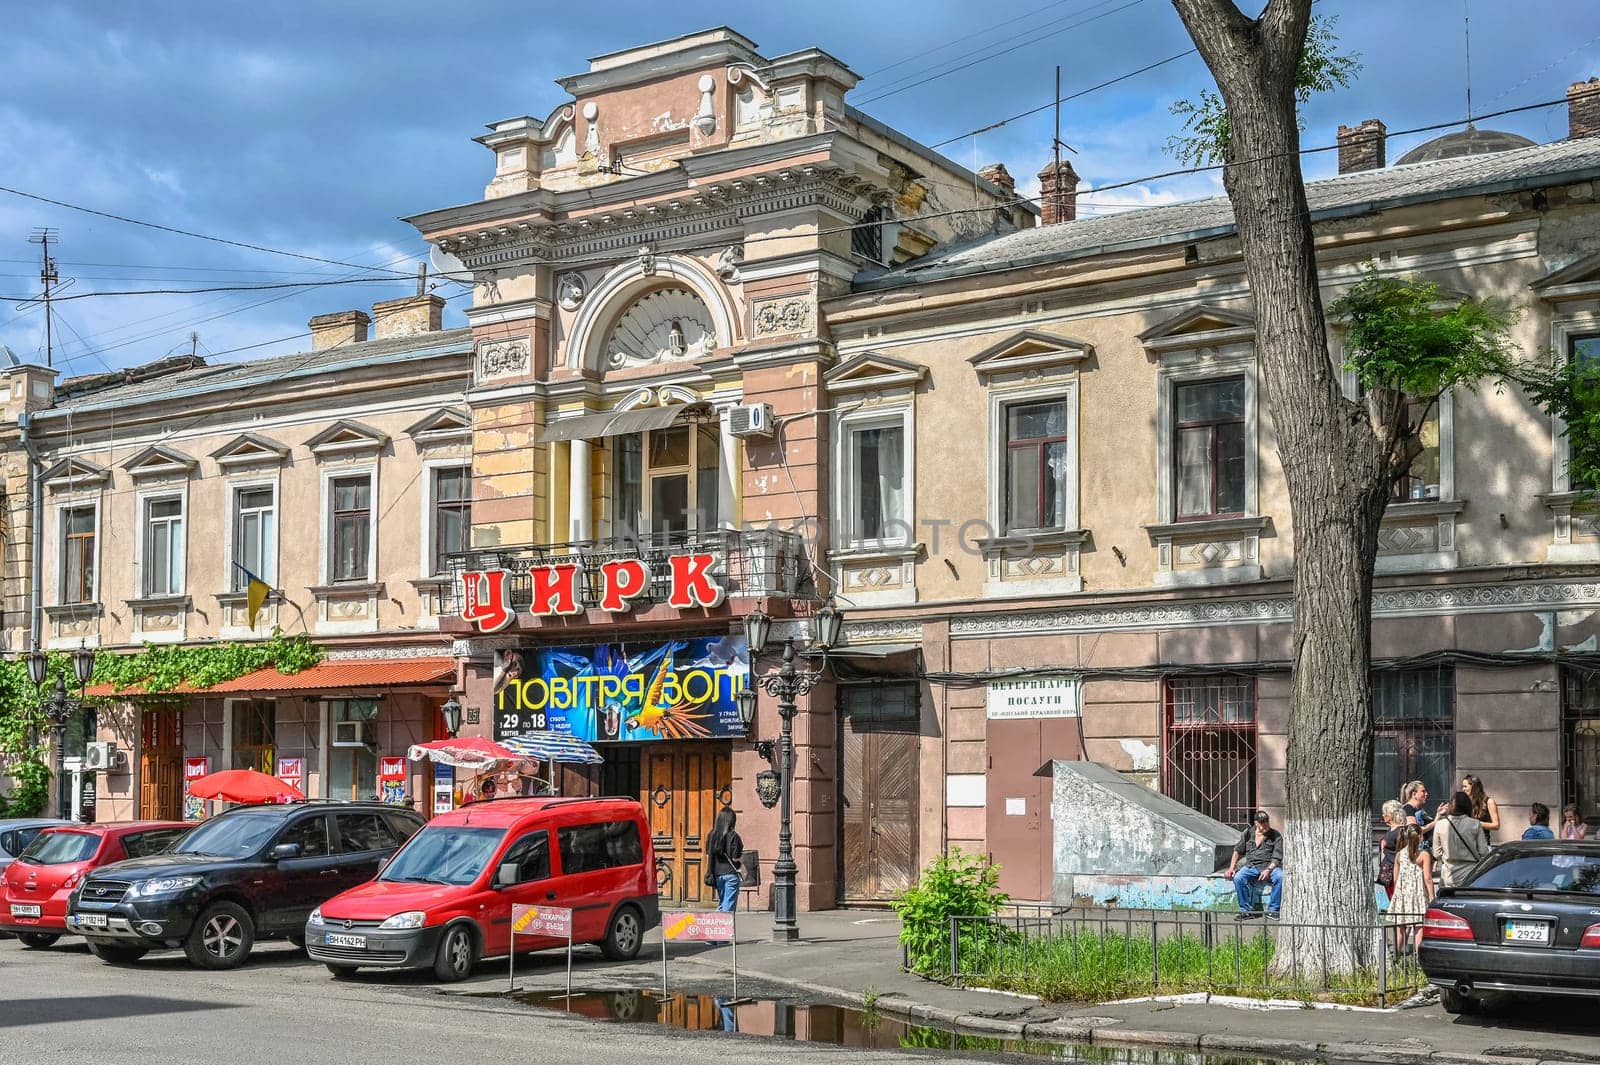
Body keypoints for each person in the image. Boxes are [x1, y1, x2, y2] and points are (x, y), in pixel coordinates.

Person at [1224, 810, 1283, 921]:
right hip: (1251, 866)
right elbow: (1237, 851)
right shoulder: (1248, 833)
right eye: (1262, 822)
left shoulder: (1276, 835)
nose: (1265, 824)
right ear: (1256, 823)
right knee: (1238, 877)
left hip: (1268, 866)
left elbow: (1277, 858)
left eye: (1266, 821)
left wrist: (1268, 870)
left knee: (1280, 876)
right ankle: (1246, 911)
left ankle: (1273, 910)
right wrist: (1231, 868)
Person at [1389, 824, 1433, 956]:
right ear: (1419, 837)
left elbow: (1395, 879)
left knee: (1400, 928)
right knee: (1419, 926)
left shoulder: (1399, 855)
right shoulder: (1423, 855)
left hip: (1402, 896)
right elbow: (1428, 878)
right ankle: (1419, 958)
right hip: (1417, 895)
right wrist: (1431, 895)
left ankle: (1395, 957)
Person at [1434, 791, 1490, 888]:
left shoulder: (1440, 824)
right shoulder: (1475, 824)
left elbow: (1436, 853)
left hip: (1448, 875)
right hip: (1470, 874)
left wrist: (1446, 856)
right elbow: (1484, 852)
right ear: (1468, 806)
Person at [705, 808, 744, 914]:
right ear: (732, 821)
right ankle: (723, 928)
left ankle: (717, 926)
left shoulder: (711, 835)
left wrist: (710, 872)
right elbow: (736, 857)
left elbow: (709, 855)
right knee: (728, 907)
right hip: (731, 874)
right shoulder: (734, 836)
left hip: (717, 875)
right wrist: (740, 861)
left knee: (723, 903)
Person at [1377, 800, 1405, 901]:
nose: (1383, 815)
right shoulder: (1391, 829)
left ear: (1392, 814)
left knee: (1394, 898)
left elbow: (1402, 853)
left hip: (1394, 871)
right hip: (1387, 870)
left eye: (1385, 812)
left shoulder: (1400, 831)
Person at [1401, 781, 1438, 849]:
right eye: (1423, 791)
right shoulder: (1408, 809)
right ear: (1414, 794)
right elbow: (1414, 831)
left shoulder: (1419, 810)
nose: (1426, 794)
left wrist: (1438, 815)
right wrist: (1434, 823)